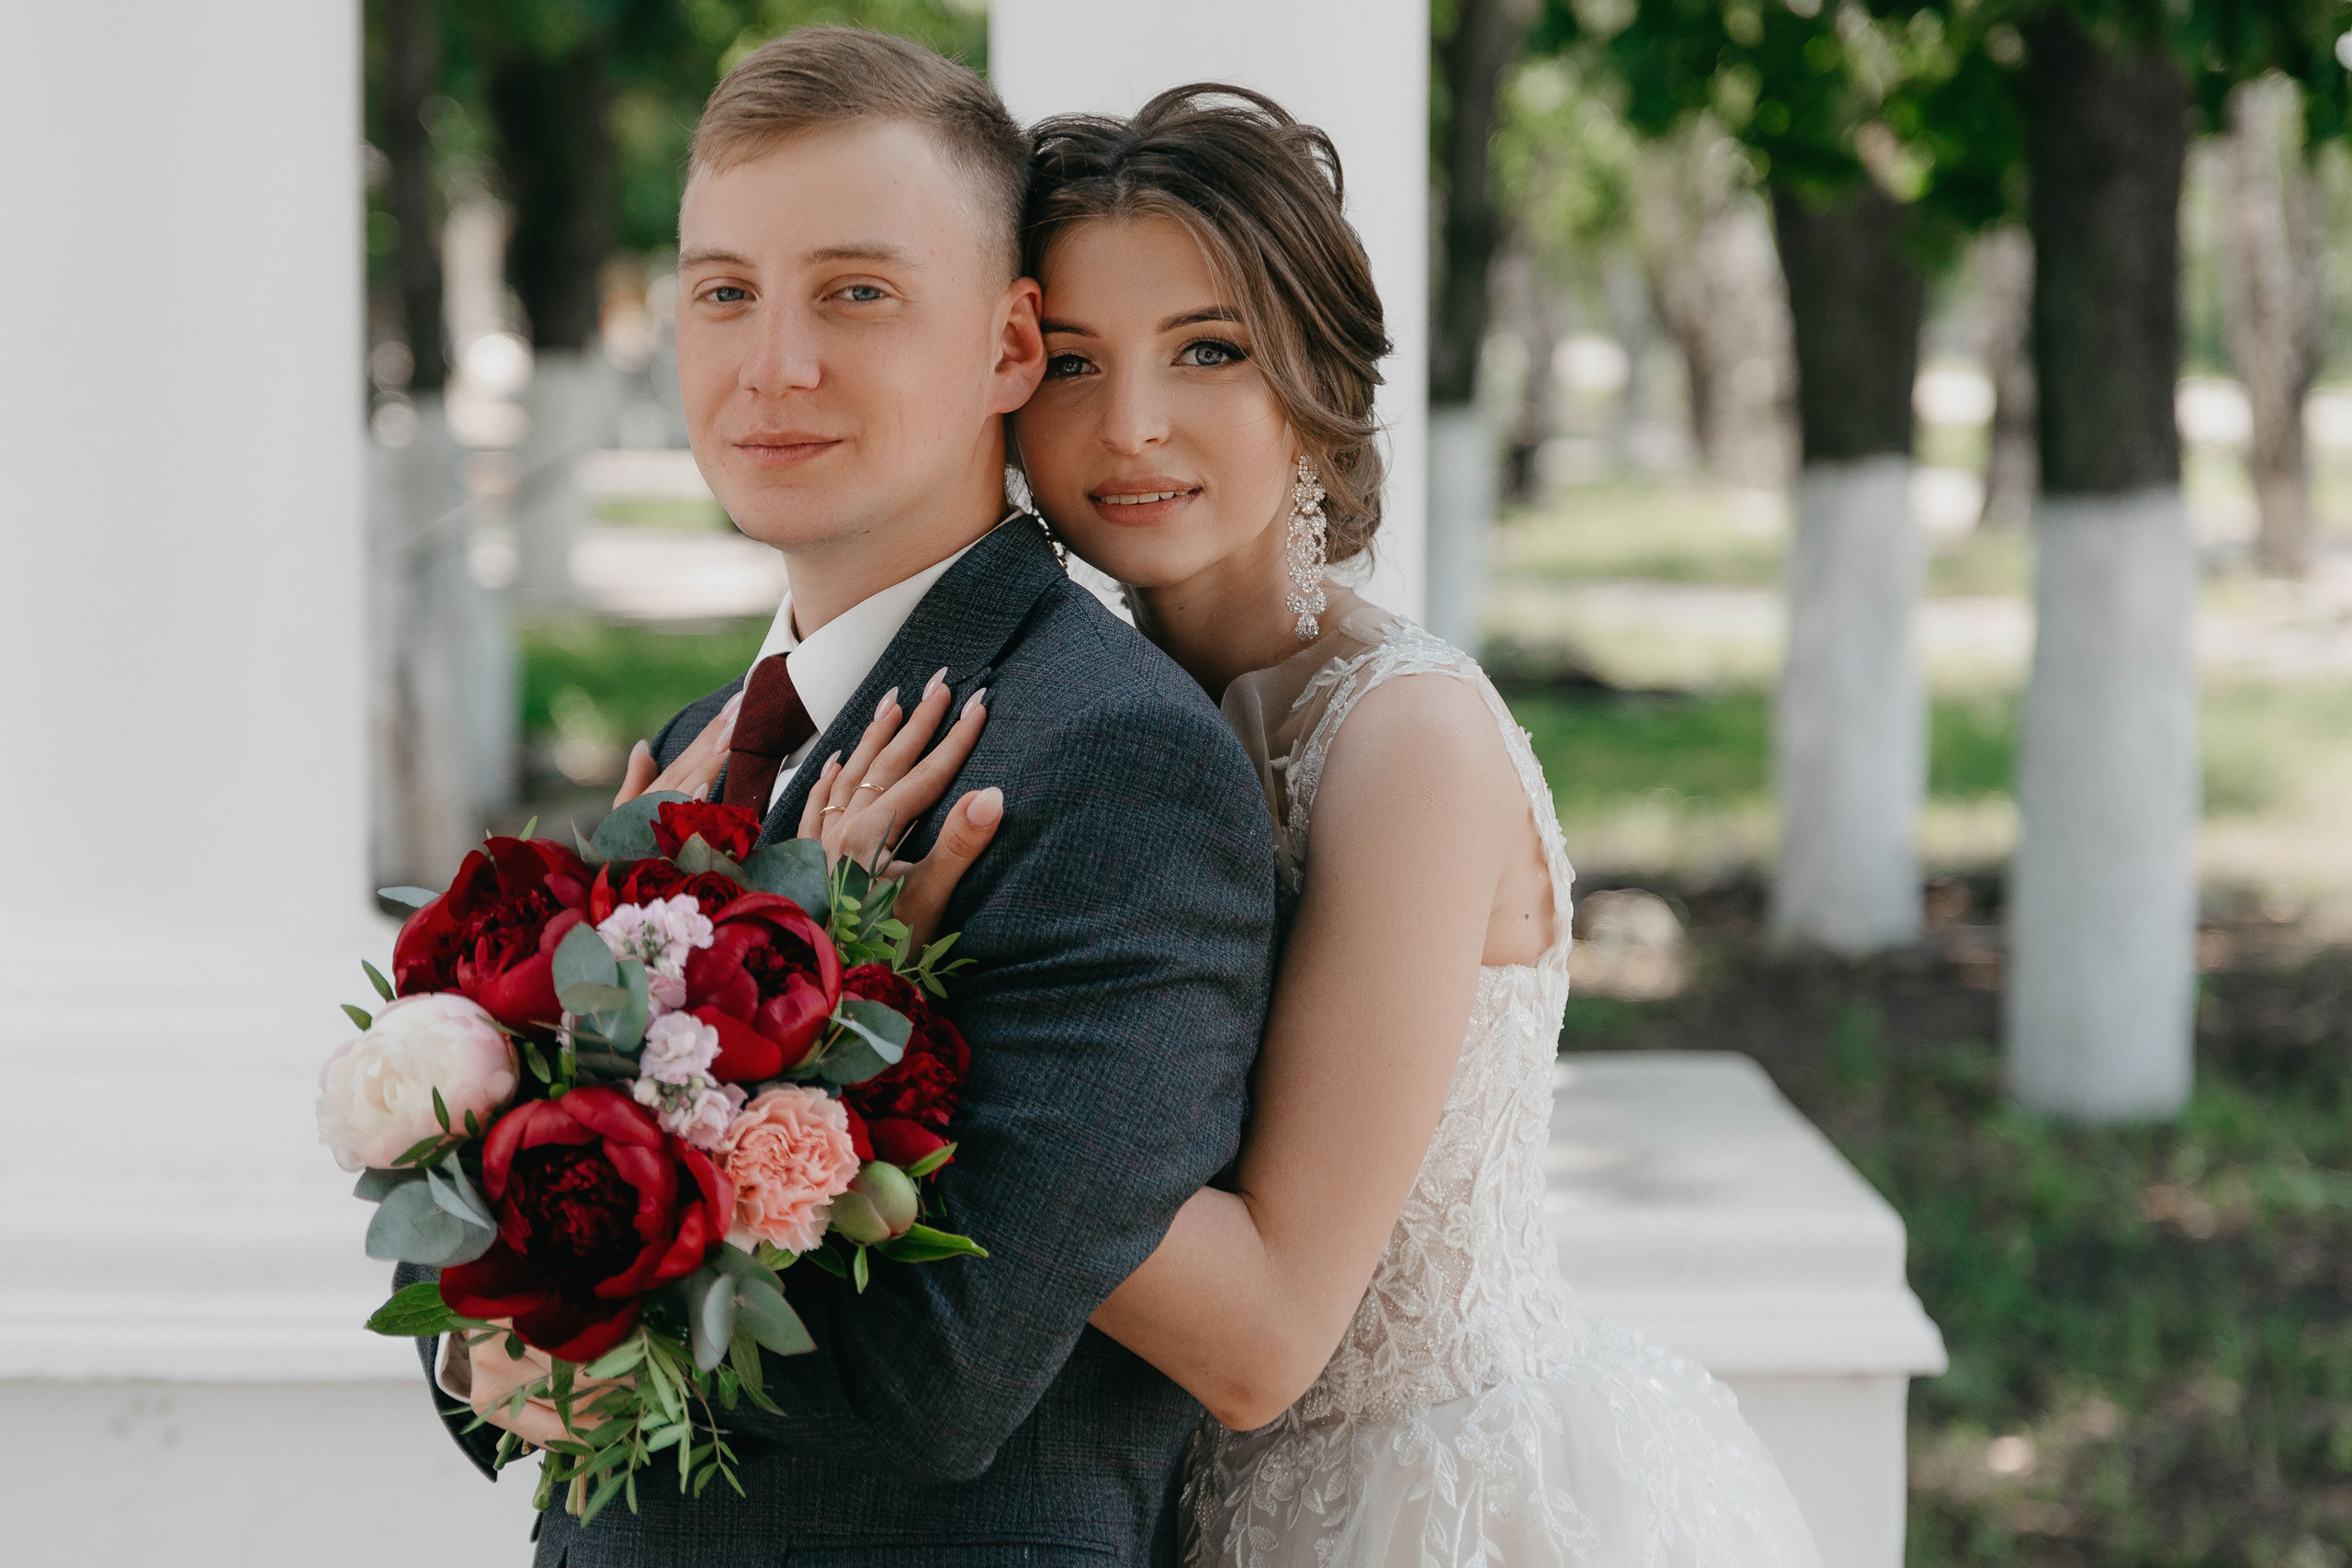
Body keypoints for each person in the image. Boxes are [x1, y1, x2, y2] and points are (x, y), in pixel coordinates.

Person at [401, 30, 1280, 1566]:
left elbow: (951, 1375)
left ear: (1012, 348)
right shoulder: (699, 742)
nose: (774, 364)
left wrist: (805, 986)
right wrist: (489, 1338)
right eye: (725, 293)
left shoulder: (1112, 761)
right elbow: (513, 1251)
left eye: (857, 295)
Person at [922, 86, 1823, 1565]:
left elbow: (1267, 1341)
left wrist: (845, 1041)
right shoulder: (1098, 718)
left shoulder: (1403, 740)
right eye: (1073, 362)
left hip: (1433, 1508)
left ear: (1311, 379)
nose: (1131, 422)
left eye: (1207, 350)